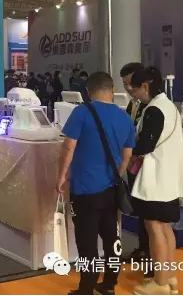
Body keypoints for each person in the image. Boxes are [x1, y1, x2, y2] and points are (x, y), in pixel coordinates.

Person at [56, 72, 135, 295]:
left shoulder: (82, 112)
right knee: (112, 238)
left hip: (84, 188)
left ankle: (87, 288)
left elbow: (68, 147)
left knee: (87, 241)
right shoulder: (125, 117)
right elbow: (127, 156)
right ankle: (109, 285)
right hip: (111, 189)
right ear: (112, 90)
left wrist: (61, 176)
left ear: (88, 92)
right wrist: (116, 176)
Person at [130, 67, 183, 296]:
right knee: (165, 228)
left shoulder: (154, 109)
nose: (134, 95)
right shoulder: (169, 107)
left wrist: (127, 150)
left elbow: (146, 145)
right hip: (169, 178)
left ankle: (160, 283)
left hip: (155, 178)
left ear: (144, 86)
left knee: (154, 228)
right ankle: (169, 277)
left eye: (134, 90)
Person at [119, 62, 150, 269]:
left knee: (148, 213)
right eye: (124, 83)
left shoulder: (152, 106)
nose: (129, 88)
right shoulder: (133, 104)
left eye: (131, 83)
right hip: (133, 164)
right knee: (138, 208)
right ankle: (142, 248)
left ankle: (150, 254)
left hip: (146, 165)